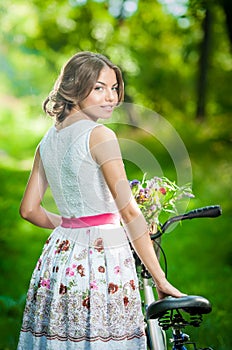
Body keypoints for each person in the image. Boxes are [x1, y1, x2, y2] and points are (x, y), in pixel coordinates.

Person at [17, 51, 185, 350]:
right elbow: (129, 211)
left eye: (114, 87)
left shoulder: (48, 140)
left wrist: (71, 226)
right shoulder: (99, 135)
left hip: (59, 258)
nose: (111, 97)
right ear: (74, 88)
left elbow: (29, 210)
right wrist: (160, 279)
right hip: (99, 261)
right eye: (98, 88)